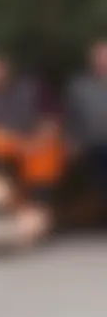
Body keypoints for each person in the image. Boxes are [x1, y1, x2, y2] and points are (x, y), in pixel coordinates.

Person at [0, 53, 63, 225]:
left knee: (48, 155)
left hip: (35, 140)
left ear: (8, 69)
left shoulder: (33, 87)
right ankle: (13, 207)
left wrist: (40, 138)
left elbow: (51, 119)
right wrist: (13, 142)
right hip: (1, 143)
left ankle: (38, 208)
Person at [65, 40, 107, 210]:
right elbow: (71, 118)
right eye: (101, 57)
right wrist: (72, 142)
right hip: (92, 144)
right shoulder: (79, 87)